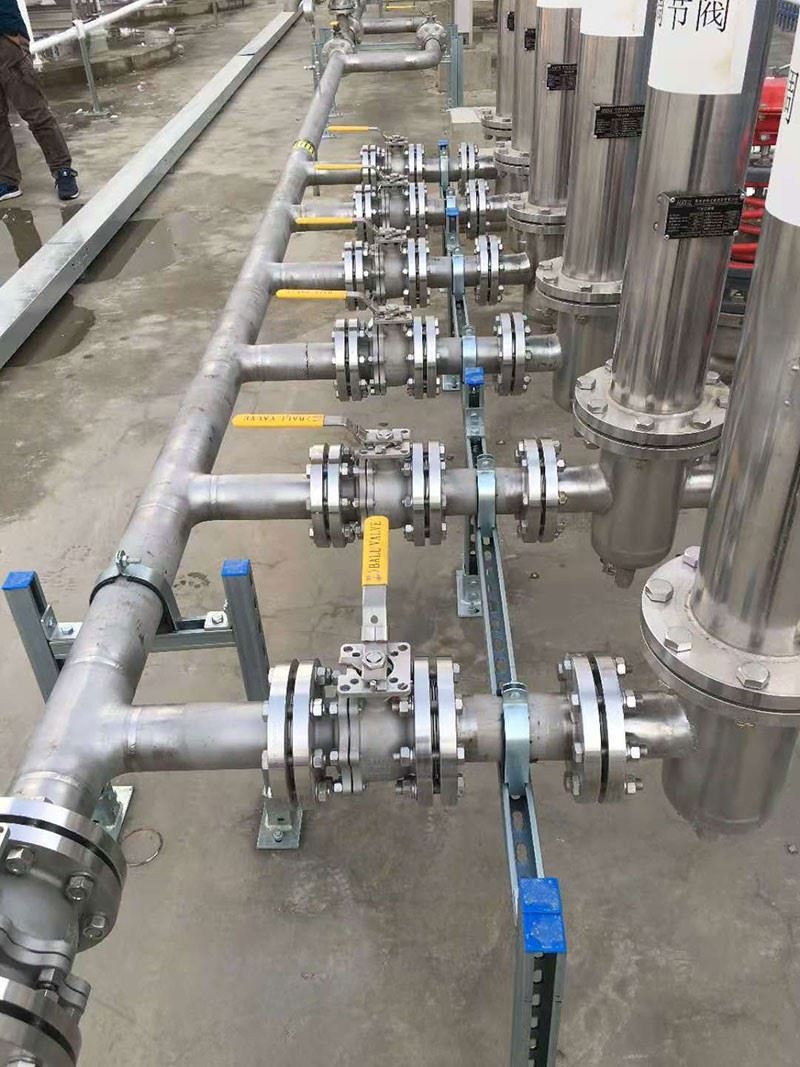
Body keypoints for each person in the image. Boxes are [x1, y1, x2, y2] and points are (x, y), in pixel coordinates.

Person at [0, 0, 79, 202]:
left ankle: (62, 170)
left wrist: (12, 34)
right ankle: (7, 180)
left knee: (35, 112)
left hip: (6, 41)